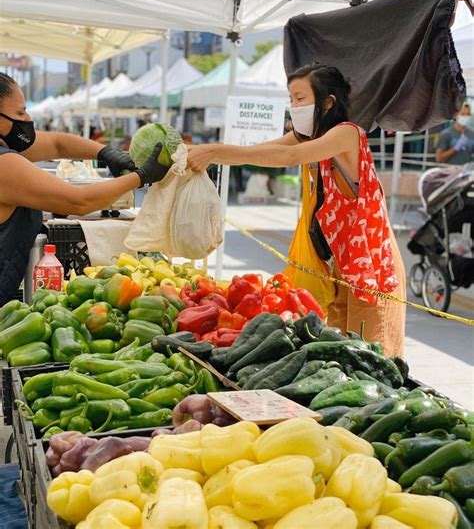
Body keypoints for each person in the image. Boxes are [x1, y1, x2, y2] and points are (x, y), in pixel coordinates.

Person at [187, 64, 406, 356]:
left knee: (373, 353)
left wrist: (215, 152)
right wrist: (211, 152)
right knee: (342, 348)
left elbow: (288, 157)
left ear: (328, 102)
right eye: (291, 99)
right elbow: (263, 151)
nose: (294, 106)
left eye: (301, 99)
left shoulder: (346, 134)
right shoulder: (309, 136)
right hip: (341, 262)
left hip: (373, 263)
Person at [0, 73, 168, 305]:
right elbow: (78, 202)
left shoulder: (7, 146)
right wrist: (140, 177)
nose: (27, 118)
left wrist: (104, 153)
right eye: (19, 113)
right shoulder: (4, 166)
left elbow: (57, 145)